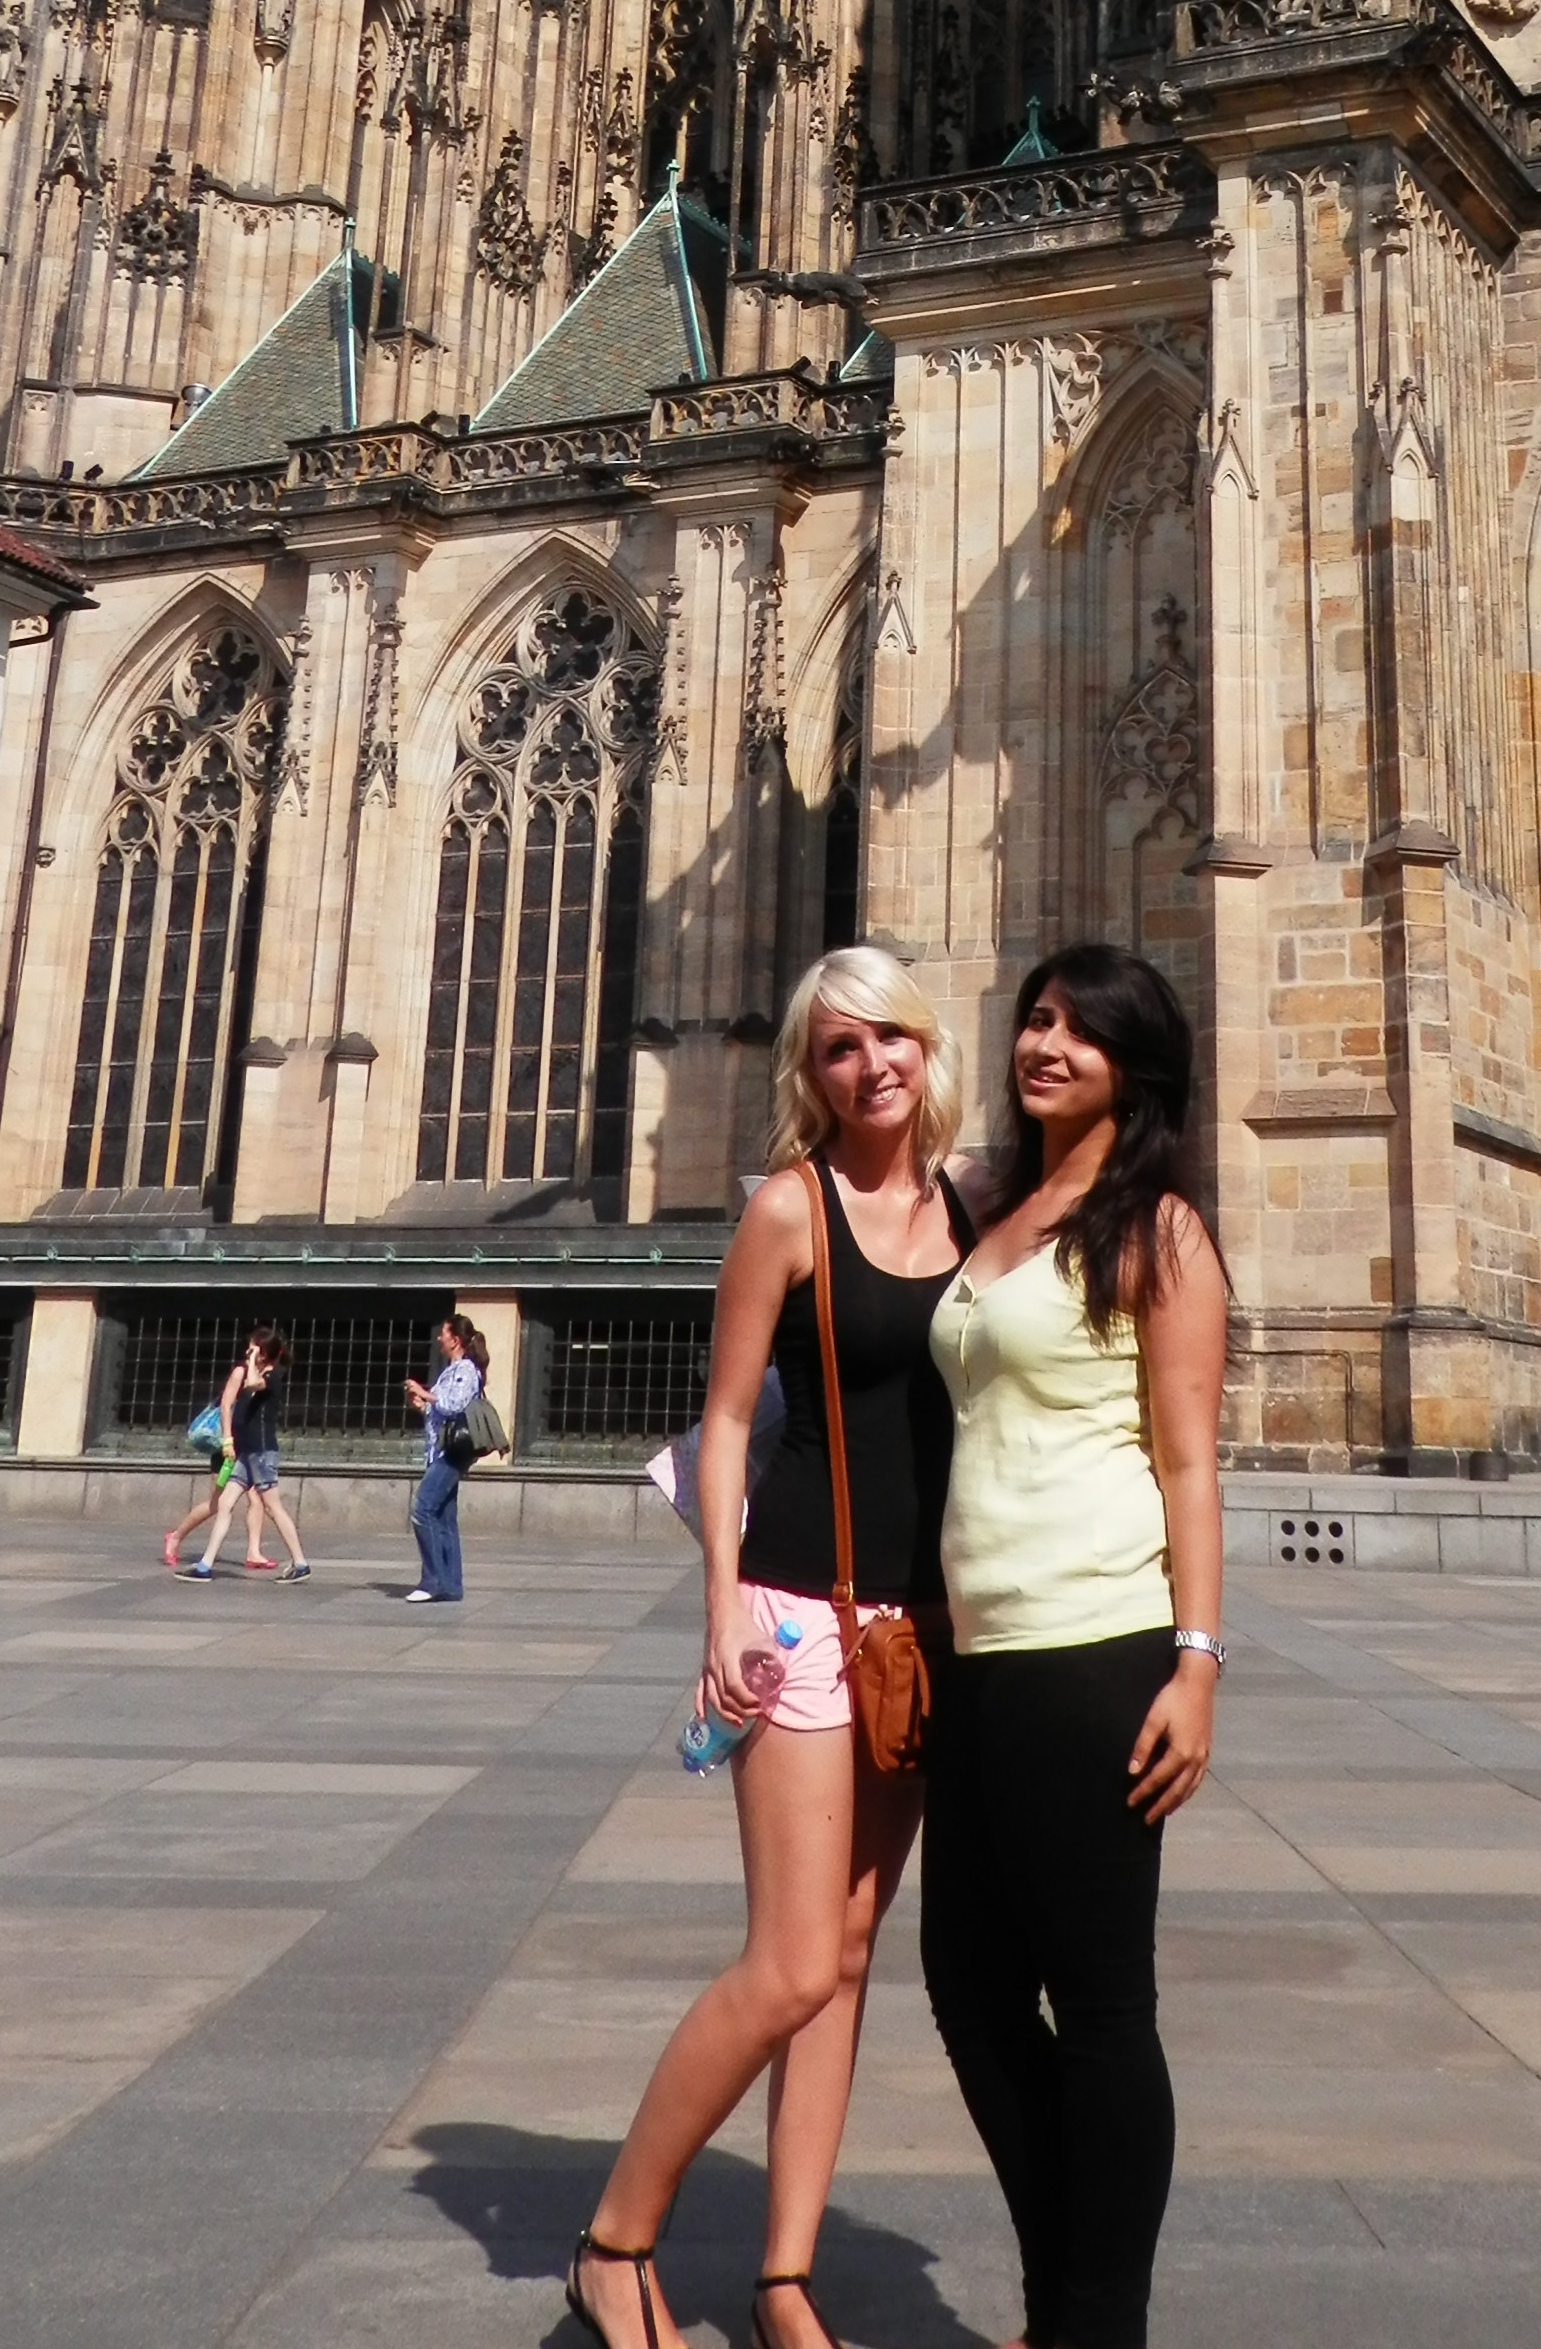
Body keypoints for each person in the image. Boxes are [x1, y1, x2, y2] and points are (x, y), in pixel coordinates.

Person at [565, 948, 973, 2349]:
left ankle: (785, 2281)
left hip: (914, 1631)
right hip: (799, 1611)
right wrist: (722, 1605)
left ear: (928, 1050)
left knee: (853, 1955)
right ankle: (616, 2245)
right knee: (793, 1960)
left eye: (892, 1039)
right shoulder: (790, 1212)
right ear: (812, 1073)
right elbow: (729, 1418)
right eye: (842, 1047)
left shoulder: (974, 1213)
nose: (873, 1066)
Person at [918, 944, 1228, 2349]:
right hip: (978, 1649)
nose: (1044, 1044)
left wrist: (1200, 1662)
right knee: (971, 1991)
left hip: (1098, 1638)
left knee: (1101, 2005)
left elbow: (1189, 1463)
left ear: (1134, 1071)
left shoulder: (1156, 1230)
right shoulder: (990, 1209)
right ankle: (1072, 2292)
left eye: (1079, 1034)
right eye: (1036, 1021)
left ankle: (1096, 2320)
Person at [187, 1327, 309, 1579]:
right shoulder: (259, 1371)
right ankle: (205, 1565)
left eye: (254, 1348)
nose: (247, 1351)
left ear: (265, 1353)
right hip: (245, 1452)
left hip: (261, 1451)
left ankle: (300, 1563)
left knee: (273, 1508)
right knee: (225, 1503)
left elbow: (253, 1384)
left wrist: (252, 1360)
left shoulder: (273, 1375)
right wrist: (229, 1440)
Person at [403, 1314, 487, 1606]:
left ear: (456, 1340)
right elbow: (438, 1412)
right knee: (444, 1517)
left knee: (423, 1510)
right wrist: (422, 1404)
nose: (440, 1338)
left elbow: (454, 1405)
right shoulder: (449, 1371)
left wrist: (425, 1393)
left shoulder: (465, 1370)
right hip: (439, 1449)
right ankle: (451, 1584)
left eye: (444, 1333)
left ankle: (433, 1580)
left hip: (450, 1454)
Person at [165, 1339, 244, 1572]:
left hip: (248, 1450)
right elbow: (226, 1409)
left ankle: (254, 1553)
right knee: (217, 1503)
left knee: (261, 1502)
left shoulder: (262, 1380)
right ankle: (176, 1536)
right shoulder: (242, 1379)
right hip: (227, 1450)